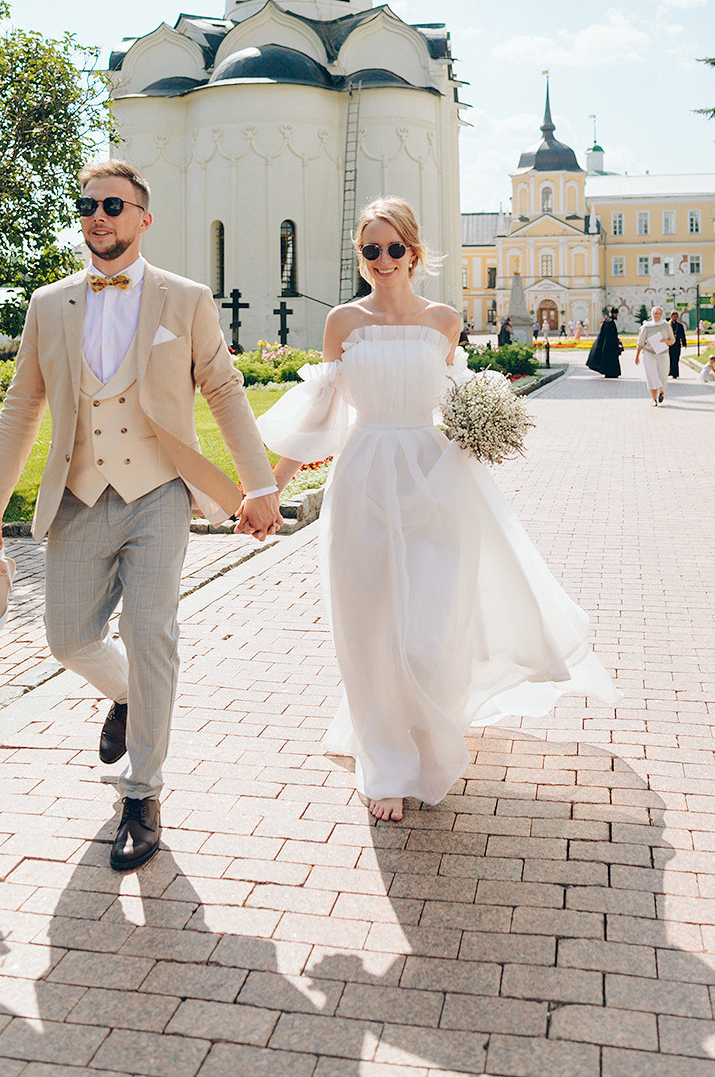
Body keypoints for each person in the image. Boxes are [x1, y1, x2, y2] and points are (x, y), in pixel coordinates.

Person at [257, 198, 618, 823]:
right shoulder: (343, 322)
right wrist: (268, 487)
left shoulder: (445, 321)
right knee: (370, 626)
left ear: (414, 253)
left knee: (427, 627)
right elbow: (323, 408)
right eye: (370, 250)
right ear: (360, 256)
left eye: (394, 248)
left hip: (434, 477)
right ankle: (386, 764)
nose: (383, 261)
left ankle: (426, 734)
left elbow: (457, 398)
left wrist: (488, 424)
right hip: (365, 474)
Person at [0, 159, 282, 871]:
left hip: (158, 494)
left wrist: (258, 486)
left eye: (113, 204)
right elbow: (22, 404)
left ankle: (143, 794)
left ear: (143, 217)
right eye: (87, 204)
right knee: (66, 639)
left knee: (152, 635)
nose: (97, 215)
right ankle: (127, 699)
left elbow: (226, 393)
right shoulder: (49, 304)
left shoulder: (186, 299)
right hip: (77, 495)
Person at [635, 305, 675, 406]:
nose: (657, 315)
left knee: (663, 375)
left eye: (659, 313)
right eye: (655, 313)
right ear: (652, 314)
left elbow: (672, 341)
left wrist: (665, 340)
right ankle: (654, 399)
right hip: (649, 353)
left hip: (663, 354)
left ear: (662, 314)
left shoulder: (666, 325)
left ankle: (661, 391)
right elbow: (640, 342)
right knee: (652, 375)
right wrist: (637, 356)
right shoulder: (647, 326)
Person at [586, 308, 622, 378]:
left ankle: (610, 372)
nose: (616, 315)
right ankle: (610, 372)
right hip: (609, 345)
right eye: (616, 314)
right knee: (610, 359)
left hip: (608, 344)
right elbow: (611, 335)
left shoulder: (608, 321)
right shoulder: (610, 322)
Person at [668, 310, 688, 378]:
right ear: (671, 316)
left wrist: (684, 343)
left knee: (676, 359)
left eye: (676, 316)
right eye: (673, 316)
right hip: (669, 345)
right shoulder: (667, 325)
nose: (675, 318)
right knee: (669, 359)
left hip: (677, 345)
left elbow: (682, 335)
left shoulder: (680, 326)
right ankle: (669, 372)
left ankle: (675, 373)